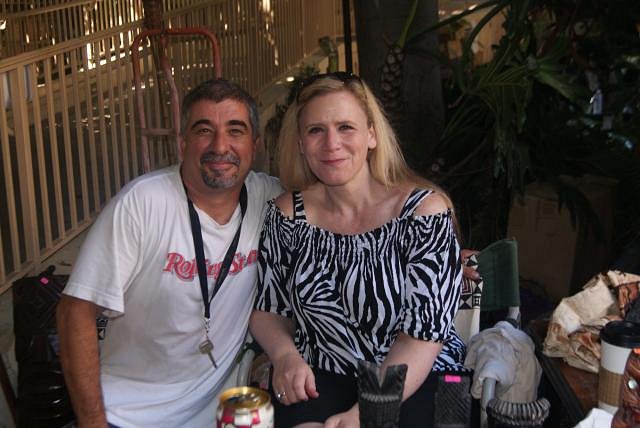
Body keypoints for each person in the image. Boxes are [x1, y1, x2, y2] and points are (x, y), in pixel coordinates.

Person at [56, 79, 282, 427]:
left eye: (235, 131)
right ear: (182, 144)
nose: (220, 146)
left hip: (218, 414)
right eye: (204, 130)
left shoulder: (271, 200)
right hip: (125, 415)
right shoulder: (142, 204)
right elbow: (75, 313)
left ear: (255, 144)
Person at [250, 72, 466, 428]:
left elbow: (421, 337)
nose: (331, 143)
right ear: (301, 143)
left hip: (418, 375)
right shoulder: (287, 215)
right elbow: (268, 308)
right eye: (316, 130)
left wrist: (367, 413)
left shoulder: (424, 214)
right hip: (322, 371)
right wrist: (284, 354)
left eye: (345, 127)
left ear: (372, 135)